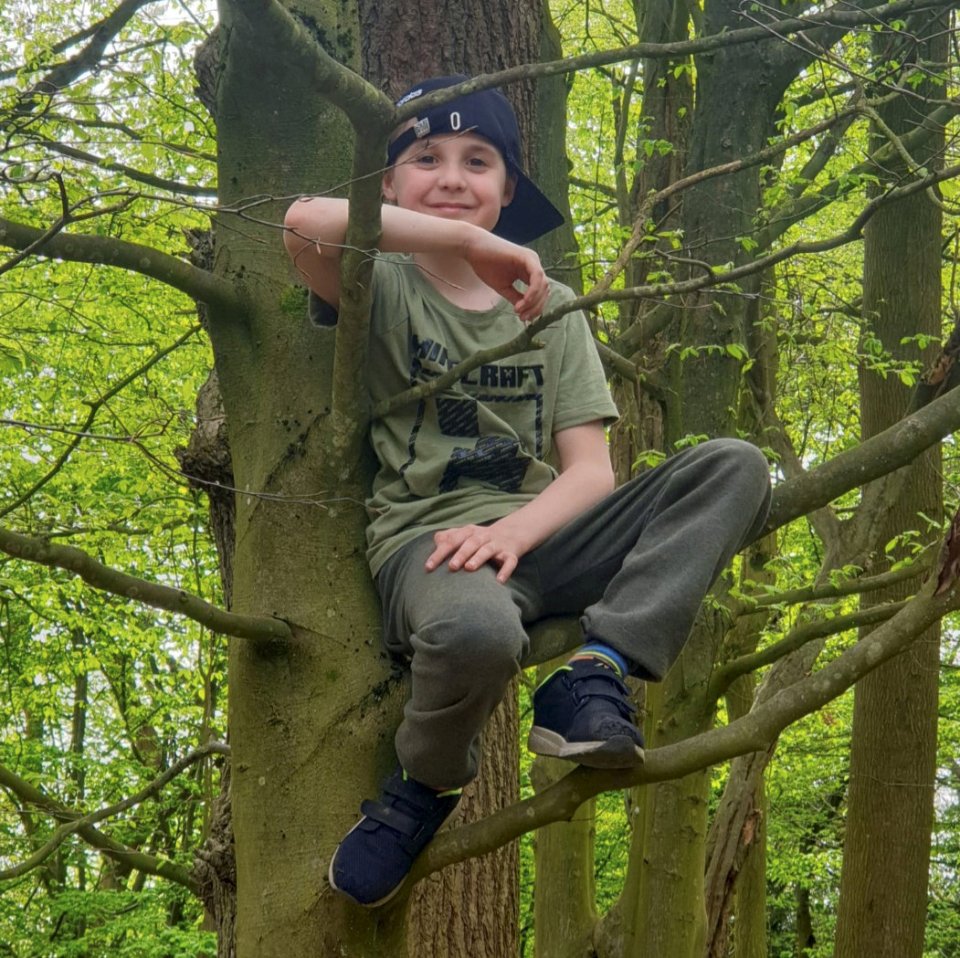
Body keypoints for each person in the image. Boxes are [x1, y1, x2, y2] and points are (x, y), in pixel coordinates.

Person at [283, 75, 772, 908]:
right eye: (425, 157)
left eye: (479, 160)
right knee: (475, 635)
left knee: (734, 463)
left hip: (547, 533)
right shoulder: (382, 286)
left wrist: (519, 533)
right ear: (390, 187)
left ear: (509, 190)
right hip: (433, 543)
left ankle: (596, 668)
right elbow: (301, 225)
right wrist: (474, 249)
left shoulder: (553, 309)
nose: (451, 176)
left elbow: (591, 471)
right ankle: (425, 788)